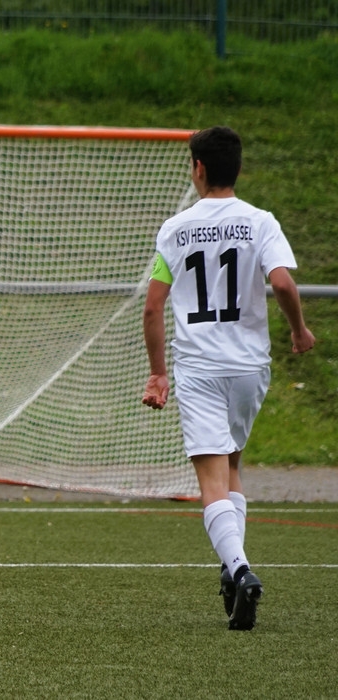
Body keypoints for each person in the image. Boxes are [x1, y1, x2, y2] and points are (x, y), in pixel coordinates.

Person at [141, 125, 315, 631]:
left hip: (199, 368)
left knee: (211, 481)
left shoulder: (176, 229)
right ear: (237, 168)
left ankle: (240, 571)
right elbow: (282, 282)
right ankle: (230, 566)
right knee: (232, 465)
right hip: (248, 367)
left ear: (198, 168)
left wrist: (158, 373)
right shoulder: (260, 222)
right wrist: (299, 330)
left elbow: (153, 307)